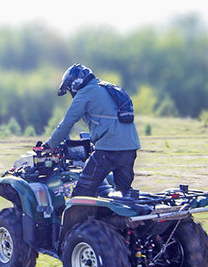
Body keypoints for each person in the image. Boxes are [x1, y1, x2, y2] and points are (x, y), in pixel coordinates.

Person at [43, 63, 141, 197]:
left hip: (109, 150)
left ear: (74, 84)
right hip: (130, 148)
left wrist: (49, 145)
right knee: (123, 196)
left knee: (82, 193)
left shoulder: (85, 93)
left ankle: (79, 218)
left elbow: (67, 123)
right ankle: (119, 218)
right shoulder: (108, 87)